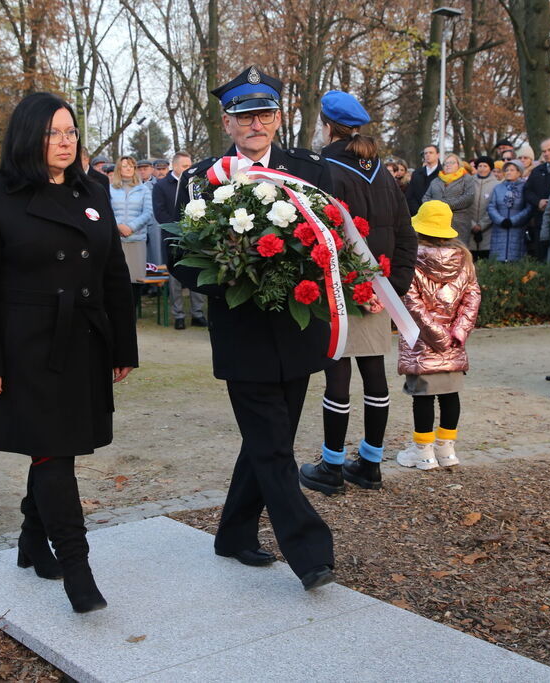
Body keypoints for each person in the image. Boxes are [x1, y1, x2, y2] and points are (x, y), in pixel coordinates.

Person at [0, 92, 138, 613]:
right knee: (53, 453)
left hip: (83, 341)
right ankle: (78, 573)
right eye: (54, 132)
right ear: (28, 136)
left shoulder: (92, 187)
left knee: (62, 448)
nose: (65, 141)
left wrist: (122, 343)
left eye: (71, 132)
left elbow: (111, 273)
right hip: (26, 348)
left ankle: (33, 542)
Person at [170, 66, 337, 591]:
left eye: (264, 114)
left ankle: (233, 534)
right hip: (241, 328)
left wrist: (287, 280)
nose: (255, 124)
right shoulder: (201, 179)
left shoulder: (309, 169)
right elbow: (179, 257)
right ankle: (309, 552)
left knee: (272, 437)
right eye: (245, 116)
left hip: (296, 325)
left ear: (279, 117)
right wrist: (236, 279)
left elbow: (330, 238)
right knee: (271, 447)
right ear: (228, 122)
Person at [296, 90, 417, 495]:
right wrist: (389, 288)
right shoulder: (384, 172)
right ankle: (370, 462)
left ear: (327, 126)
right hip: (378, 288)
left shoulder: (325, 170)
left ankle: (331, 466)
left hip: (341, 289)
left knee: (338, 374)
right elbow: (406, 235)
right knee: (373, 373)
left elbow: (317, 234)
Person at [394, 200, 480, 470]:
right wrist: (458, 331)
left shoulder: (411, 259)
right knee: (450, 393)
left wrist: (436, 336)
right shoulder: (464, 258)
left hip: (422, 342)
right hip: (454, 342)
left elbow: (412, 302)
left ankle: (423, 452)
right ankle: (447, 449)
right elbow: (473, 295)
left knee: (423, 395)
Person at [151, 151, 205, 327]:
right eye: (185, 166)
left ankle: (197, 314)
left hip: (194, 238)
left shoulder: (195, 184)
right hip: (172, 238)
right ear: (175, 166)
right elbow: (160, 213)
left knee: (197, 273)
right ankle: (179, 316)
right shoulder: (161, 186)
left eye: (190, 165)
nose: (189, 169)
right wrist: (178, 229)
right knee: (175, 278)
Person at [108, 156, 153, 306]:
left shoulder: (143, 189)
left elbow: (148, 213)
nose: (128, 169)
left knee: (135, 279)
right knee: (117, 279)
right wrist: (119, 226)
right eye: (124, 166)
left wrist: (131, 227)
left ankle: (132, 314)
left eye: (131, 166)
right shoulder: (110, 189)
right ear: (118, 169)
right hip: (116, 241)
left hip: (136, 240)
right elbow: (106, 211)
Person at [421, 152, 476, 244]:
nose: (448, 165)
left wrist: (443, 205)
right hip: (437, 221)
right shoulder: (436, 180)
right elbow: (426, 197)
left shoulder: (467, 179)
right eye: (446, 163)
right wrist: (434, 207)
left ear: (459, 165)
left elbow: (468, 198)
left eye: (452, 163)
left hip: (458, 221)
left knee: (457, 249)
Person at [525, 138, 550, 258]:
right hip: (540, 219)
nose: (546, 153)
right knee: (540, 254)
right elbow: (527, 191)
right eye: (544, 151)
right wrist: (538, 202)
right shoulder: (537, 171)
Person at [487, 160, 532, 262]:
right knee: (497, 261)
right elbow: (491, 206)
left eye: (512, 170)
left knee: (516, 261)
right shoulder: (498, 188)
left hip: (518, 229)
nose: (508, 172)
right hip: (499, 229)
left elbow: (528, 208)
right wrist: (501, 220)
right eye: (506, 170)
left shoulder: (525, 188)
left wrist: (513, 220)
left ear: (519, 172)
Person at [467, 156, 497, 258]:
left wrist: (482, 225)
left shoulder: (496, 184)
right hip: (470, 228)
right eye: (479, 166)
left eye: (485, 166)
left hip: (488, 230)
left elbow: (494, 206)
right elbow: (465, 204)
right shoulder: (468, 182)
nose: (482, 168)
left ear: (490, 168)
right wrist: (472, 225)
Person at [406, 144, 440, 215]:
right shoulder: (416, 173)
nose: (428, 155)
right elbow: (410, 194)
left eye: (431, 153)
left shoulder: (443, 173)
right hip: (417, 213)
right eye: (425, 153)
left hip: (437, 213)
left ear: (437, 155)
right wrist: (418, 211)